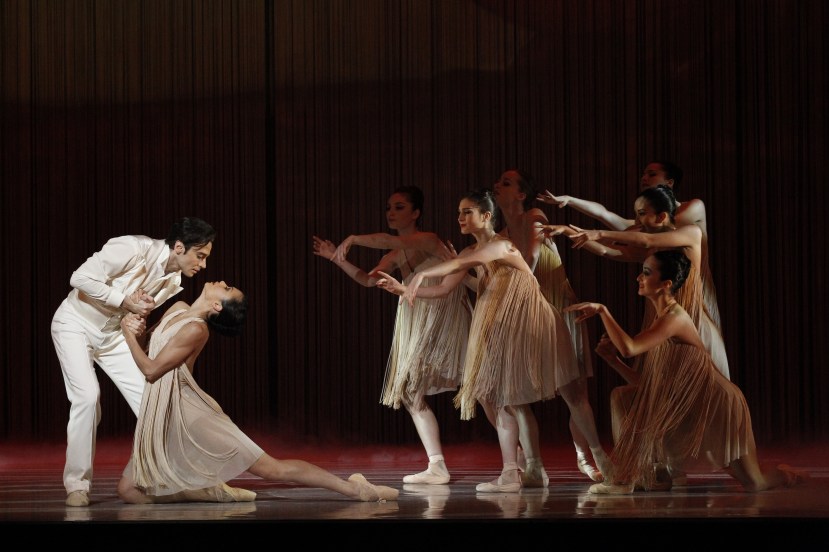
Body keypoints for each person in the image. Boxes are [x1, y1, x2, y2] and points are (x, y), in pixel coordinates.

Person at [376, 189, 612, 492]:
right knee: (504, 397)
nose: (460, 218)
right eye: (459, 212)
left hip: (536, 324)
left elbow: (468, 262)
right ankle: (524, 470)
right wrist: (402, 289)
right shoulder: (468, 254)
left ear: (486, 217)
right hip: (505, 328)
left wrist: (424, 274)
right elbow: (444, 289)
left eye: (467, 212)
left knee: (572, 393)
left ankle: (600, 457)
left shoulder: (502, 246)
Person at [116, 281, 399, 504]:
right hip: (161, 410)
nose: (223, 282)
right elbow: (148, 350)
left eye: (226, 289)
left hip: (188, 410)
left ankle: (354, 490)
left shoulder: (196, 329)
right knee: (129, 491)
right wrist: (139, 325)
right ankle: (204, 491)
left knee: (271, 468)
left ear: (216, 305)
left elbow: (152, 371)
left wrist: (127, 334)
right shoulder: (177, 308)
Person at [562, 250, 807, 494]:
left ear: (666, 284)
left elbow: (629, 347)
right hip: (691, 406)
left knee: (755, 483)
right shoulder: (661, 320)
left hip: (719, 405)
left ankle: (787, 475)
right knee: (623, 396)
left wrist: (603, 311)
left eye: (647, 273)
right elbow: (650, 389)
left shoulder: (675, 318)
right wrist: (612, 360)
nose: (639, 277)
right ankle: (643, 476)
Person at [51, 217, 217, 507]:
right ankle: (77, 485)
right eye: (200, 256)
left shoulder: (172, 280)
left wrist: (137, 319)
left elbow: (134, 313)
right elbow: (79, 278)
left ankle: (164, 477)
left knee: (153, 404)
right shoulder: (133, 247)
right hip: (75, 324)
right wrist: (125, 300)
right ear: (179, 247)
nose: (203, 265)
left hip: (114, 336)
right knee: (88, 398)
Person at [312, 185, 472, 485]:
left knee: (480, 386)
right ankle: (437, 464)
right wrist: (336, 258)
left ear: (416, 213)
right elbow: (367, 280)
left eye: (399, 207)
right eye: (389, 207)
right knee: (411, 390)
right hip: (419, 318)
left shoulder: (428, 240)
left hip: (443, 316)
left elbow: (385, 239)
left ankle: (517, 452)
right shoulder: (397, 254)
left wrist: (354, 239)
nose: (391, 212)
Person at [493, 169, 602, 482]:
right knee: (519, 394)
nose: (498, 185)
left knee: (575, 391)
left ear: (522, 194)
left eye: (507, 182)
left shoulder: (534, 216)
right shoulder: (499, 237)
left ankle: (587, 456)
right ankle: (533, 465)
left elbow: (531, 260)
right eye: (498, 182)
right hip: (530, 318)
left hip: (559, 308)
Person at [537, 160, 721, 330]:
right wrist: (570, 201)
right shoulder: (647, 226)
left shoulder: (693, 208)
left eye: (652, 174)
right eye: (644, 174)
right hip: (663, 296)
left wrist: (602, 234)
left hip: (693, 291)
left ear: (670, 182)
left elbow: (649, 235)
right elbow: (605, 217)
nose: (644, 178)